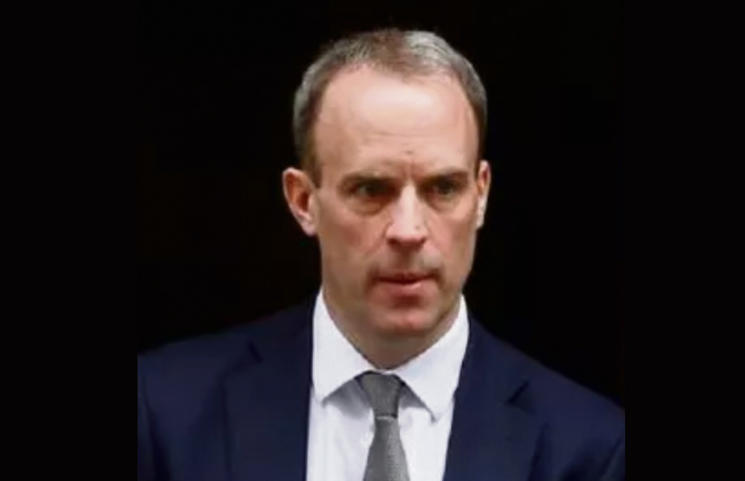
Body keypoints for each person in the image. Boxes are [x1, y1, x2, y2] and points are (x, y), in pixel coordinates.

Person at [138, 28, 625, 481]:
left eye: (443, 188)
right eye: (371, 190)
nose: (408, 231)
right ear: (303, 200)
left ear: (481, 195)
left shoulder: (587, 447)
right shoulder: (164, 412)